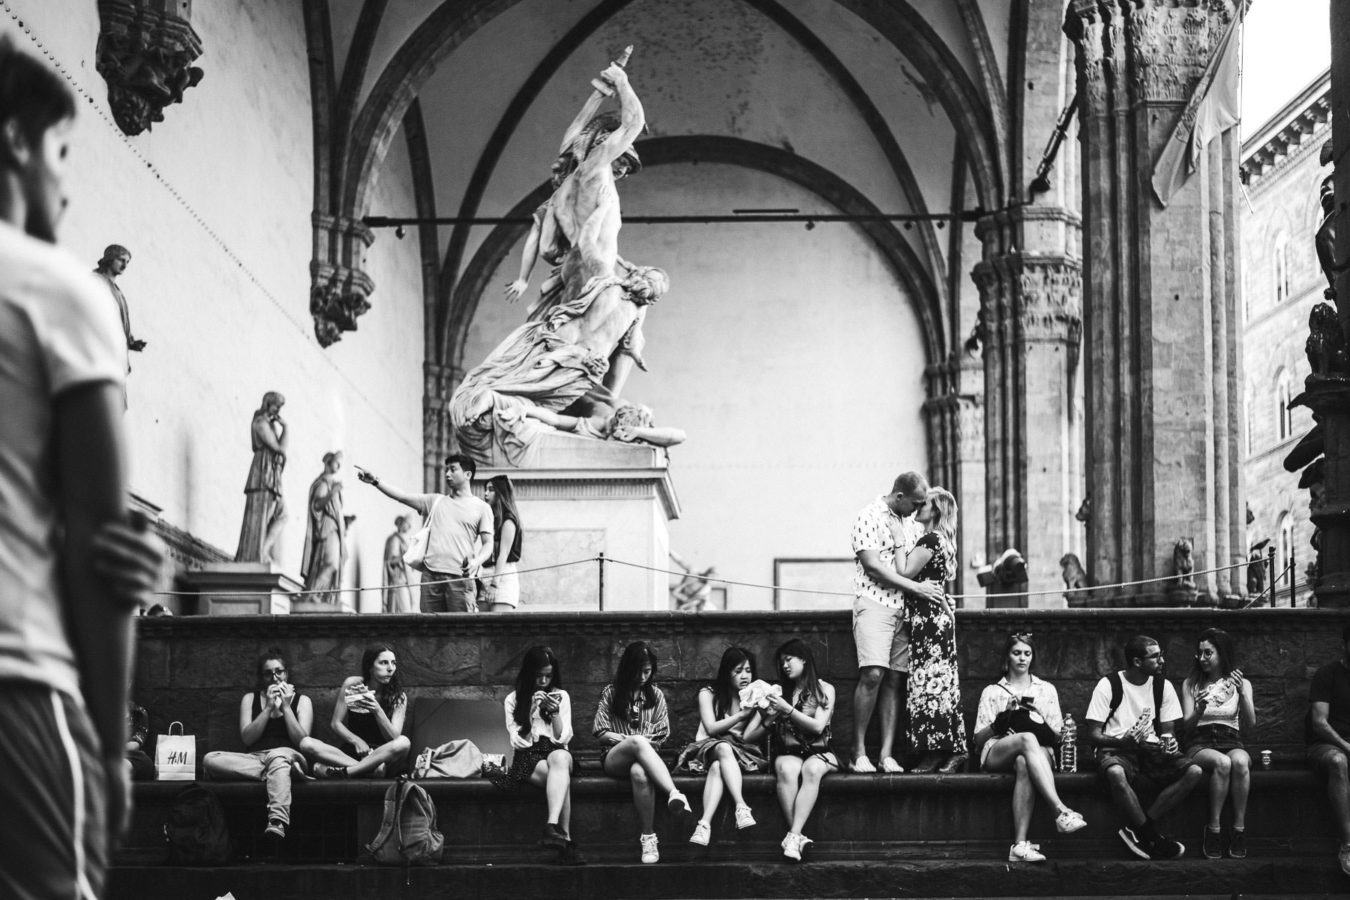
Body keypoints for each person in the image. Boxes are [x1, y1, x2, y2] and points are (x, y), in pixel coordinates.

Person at [0, 37, 163, 900]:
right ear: (16, 140)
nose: (65, 188)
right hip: (17, 685)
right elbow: (103, 545)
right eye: (62, 153)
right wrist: (108, 751)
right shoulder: (62, 292)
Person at [848, 472, 946, 774]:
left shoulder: (910, 524)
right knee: (873, 674)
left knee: (894, 680)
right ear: (900, 496)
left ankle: (886, 754)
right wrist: (916, 588)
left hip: (904, 609)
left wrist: (939, 596)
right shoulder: (868, 516)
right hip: (874, 603)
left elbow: (916, 568)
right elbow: (873, 567)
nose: (918, 510)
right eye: (915, 504)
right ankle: (857, 752)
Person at [1085, 634, 1204, 860]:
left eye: (1161, 655)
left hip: (1150, 747)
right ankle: (1151, 837)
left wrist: (1170, 742)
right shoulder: (1109, 685)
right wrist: (1122, 742)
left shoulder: (1162, 686)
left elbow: (1168, 731)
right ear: (1137, 661)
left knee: (1194, 771)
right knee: (1115, 773)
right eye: (1155, 657)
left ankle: (1137, 829)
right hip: (1116, 748)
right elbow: (1093, 734)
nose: (1162, 661)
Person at [972, 633, 1086, 863]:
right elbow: (978, 740)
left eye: (1027, 653)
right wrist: (1002, 720)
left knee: (1024, 760)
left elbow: (1058, 736)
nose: (1022, 658)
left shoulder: (1046, 689)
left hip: (1039, 752)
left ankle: (1020, 845)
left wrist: (1037, 718)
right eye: (1017, 653)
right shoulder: (992, 691)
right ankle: (1060, 810)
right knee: (1026, 739)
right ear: (1007, 656)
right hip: (999, 750)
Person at [593, 641, 692, 864]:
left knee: (639, 773)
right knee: (637, 741)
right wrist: (630, 741)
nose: (642, 677)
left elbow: (662, 733)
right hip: (614, 758)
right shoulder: (611, 693)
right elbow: (600, 732)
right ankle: (674, 792)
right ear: (627, 669)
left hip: (646, 761)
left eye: (647, 671)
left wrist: (642, 743)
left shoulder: (656, 696)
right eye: (637, 671)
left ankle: (649, 838)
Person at [357, 453, 494, 613]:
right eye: (446, 470)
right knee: (429, 627)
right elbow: (402, 496)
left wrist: (476, 562)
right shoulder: (435, 501)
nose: (447, 474)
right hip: (431, 577)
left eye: (453, 469)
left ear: (467, 474)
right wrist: (375, 481)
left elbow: (488, 543)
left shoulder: (482, 508)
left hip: (460, 578)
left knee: (461, 627)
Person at [202, 648, 313, 841]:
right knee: (210, 759)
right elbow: (247, 739)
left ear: (286, 674)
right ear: (262, 677)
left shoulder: (302, 701)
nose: (275, 677)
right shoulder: (250, 699)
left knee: (277, 756)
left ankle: (277, 821)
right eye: (268, 673)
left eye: (279, 671)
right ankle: (280, 774)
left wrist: (286, 707)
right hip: (255, 759)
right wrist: (268, 707)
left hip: (289, 755)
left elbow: (302, 742)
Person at [744, 638, 839, 862]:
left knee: (812, 769)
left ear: (803, 659)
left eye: (789, 660)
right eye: (782, 662)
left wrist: (787, 710)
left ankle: (793, 835)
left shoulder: (824, 689)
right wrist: (770, 717)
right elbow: (748, 736)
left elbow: (818, 726)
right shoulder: (778, 692)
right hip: (790, 752)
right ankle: (796, 837)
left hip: (820, 752)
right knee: (787, 769)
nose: (785, 666)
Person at [897, 487, 968, 774]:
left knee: (929, 685)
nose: (918, 507)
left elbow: (904, 573)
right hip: (935, 619)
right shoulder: (941, 540)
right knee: (942, 684)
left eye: (923, 503)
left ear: (935, 510)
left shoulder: (930, 539)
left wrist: (898, 539)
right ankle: (952, 749)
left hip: (928, 622)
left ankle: (936, 751)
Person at [494, 646, 584, 865]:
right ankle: (566, 840)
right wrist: (531, 711)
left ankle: (551, 826)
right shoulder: (513, 699)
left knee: (560, 758)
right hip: (528, 755)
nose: (543, 681)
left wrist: (554, 713)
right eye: (538, 675)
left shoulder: (561, 696)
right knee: (561, 780)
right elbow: (519, 741)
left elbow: (563, 738)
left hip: (555, 751)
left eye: (548, 676)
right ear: (529, 673)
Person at [675, 646, 766, 846]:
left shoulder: (756, 696)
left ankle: (704, 825)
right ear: (727, 672)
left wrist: (768, 716)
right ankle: (741, 806)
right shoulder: (708, 694)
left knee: (718, 767)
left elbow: (748, 737)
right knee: (723, 748)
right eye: (738, 671)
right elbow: (711, 728)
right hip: (706, 749)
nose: (745, 676)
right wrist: (741, 715)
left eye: (748, 670)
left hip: (740, 754)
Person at [1179, 627, 1255, 860]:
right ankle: (1213, 829)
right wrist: (1199, 709)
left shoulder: (1242, 683)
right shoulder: (1191, 684)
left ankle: (1239, 829)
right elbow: (1186, 728)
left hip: (1231, 739)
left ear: (1222, 653)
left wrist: (1242, 694)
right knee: (1223, 763)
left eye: (1208, 653)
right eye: (1200, 653)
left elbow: (1251, 723)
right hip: (1200, 742)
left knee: (1240, 762)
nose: (1202, 658)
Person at [303, 643, 410, 778]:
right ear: (370, 666)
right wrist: (357, 741)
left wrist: (376, 709)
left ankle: (347, 772)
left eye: (393, 663)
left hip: (382, 755)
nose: (390, 668)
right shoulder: (353, 684)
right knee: (306, 743)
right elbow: (336, 724)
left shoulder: (398, 696)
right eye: (383, 663)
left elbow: (394, 737)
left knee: (403, 742)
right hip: (353, 752)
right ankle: (368, 770)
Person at [1305, 623, 1350, 875]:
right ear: (1344, 645)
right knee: (1338, 761)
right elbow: (1319, 723)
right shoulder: (1327, 675)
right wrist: (1346, 746)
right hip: (1325, 745)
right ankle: (1348, 845)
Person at [234, 391, 287, 565]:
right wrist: (285, 429)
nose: (278, 410)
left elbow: (281, 449)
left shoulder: (270, 424)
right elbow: (279, 448)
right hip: (263, 471)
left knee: (281, 514)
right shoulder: (260, 423)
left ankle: (263, 550)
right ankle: (256, 554)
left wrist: (285, 428)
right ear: (267, 404)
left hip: (271, 472)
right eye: (276, 406)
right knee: (263, 514)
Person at [301, 451, 346, 603]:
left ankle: (322, 596)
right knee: (330, 563)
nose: (338, 466)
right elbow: (317, 505)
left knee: (335, 564)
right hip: (327, 528)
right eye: (336, 463)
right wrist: (332, 493)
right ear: (328, 462)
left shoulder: (331, 483)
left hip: (335, 529)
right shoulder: (323, 484)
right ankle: (311, 594)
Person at [92, 243, 144, 368]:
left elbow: (119, 319)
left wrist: (130, 341)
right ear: (110, 259)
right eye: (121, 260)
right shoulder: (95, 281)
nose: (125, 266)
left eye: (127, 262)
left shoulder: (115, 290)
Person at [483, 475, 523, 612]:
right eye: (485, 489)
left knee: (498, 624)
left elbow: (503, 554)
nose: (486, 493)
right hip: (484, 576)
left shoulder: (508, 520)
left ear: (501, 493)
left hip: (502, 577)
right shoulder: (490, 519)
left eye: (491, 489)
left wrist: (494, 584)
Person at [382, 514, 415, 613]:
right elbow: (390, 561)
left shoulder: (405, 540)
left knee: (407, 612)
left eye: (409, 524)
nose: (408, 527)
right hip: (398, 583)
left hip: (405, 581)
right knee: (404, 612)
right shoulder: (395, 540)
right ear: (401, 524)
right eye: (407, 523)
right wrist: (405, 556)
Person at [125, 701, 155, 782]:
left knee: (145, 761)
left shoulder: (138, 713)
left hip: (129, 755)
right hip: (106, 755)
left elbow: (135, 743)